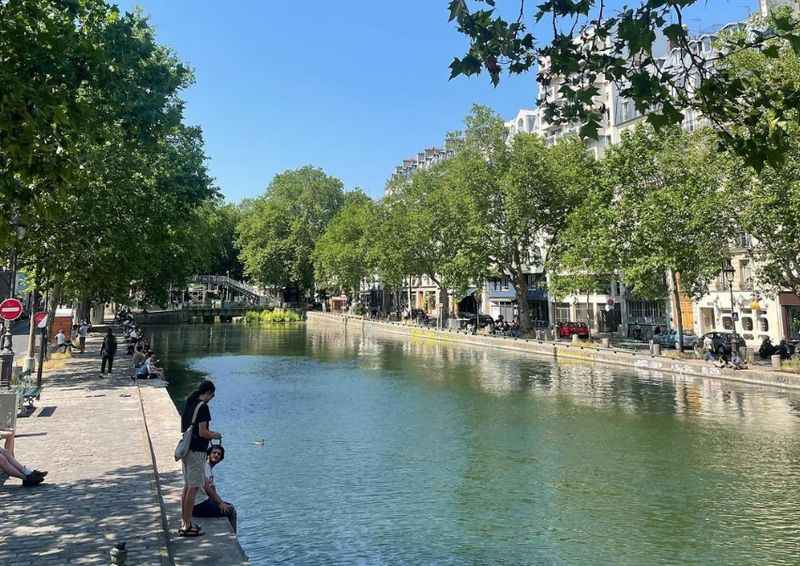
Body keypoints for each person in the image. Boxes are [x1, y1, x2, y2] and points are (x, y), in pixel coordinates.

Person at [180, 380, 222, 537]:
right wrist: (215, 434)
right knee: (193, 487)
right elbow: (203, 432)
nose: (211, 398)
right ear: (208, 392)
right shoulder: (203, 407)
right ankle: (187, 526)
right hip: (197, 452)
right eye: (212, 395)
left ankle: (184, 522)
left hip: (186, 450)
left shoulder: (190, 403)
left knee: (186, 487)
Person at [192, 443, 237, 533]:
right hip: (199, 506)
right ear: (209, 454)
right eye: (214, 453)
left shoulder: (207, 468)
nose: (216, 455)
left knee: (227, 505)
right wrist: (220, 503)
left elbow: (213, 490)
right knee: (231, 510)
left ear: (221, 458)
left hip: (200, 503)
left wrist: (219, 502)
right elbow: (208, 489)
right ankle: (233, 535)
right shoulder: (206, 467)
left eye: (219, 454)